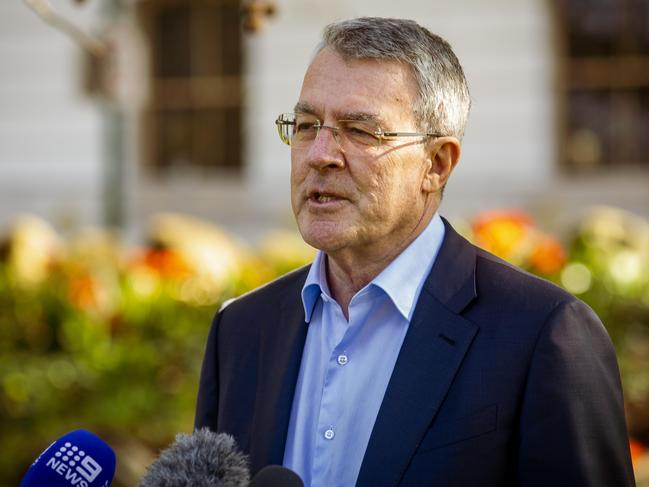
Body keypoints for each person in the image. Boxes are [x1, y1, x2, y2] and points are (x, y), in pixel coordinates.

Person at [195, 17, 635, 487]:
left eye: (360, 131)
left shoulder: (545, 334)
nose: (319, 154)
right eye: (306, 125)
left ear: (437, 164)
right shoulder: (240, 331)